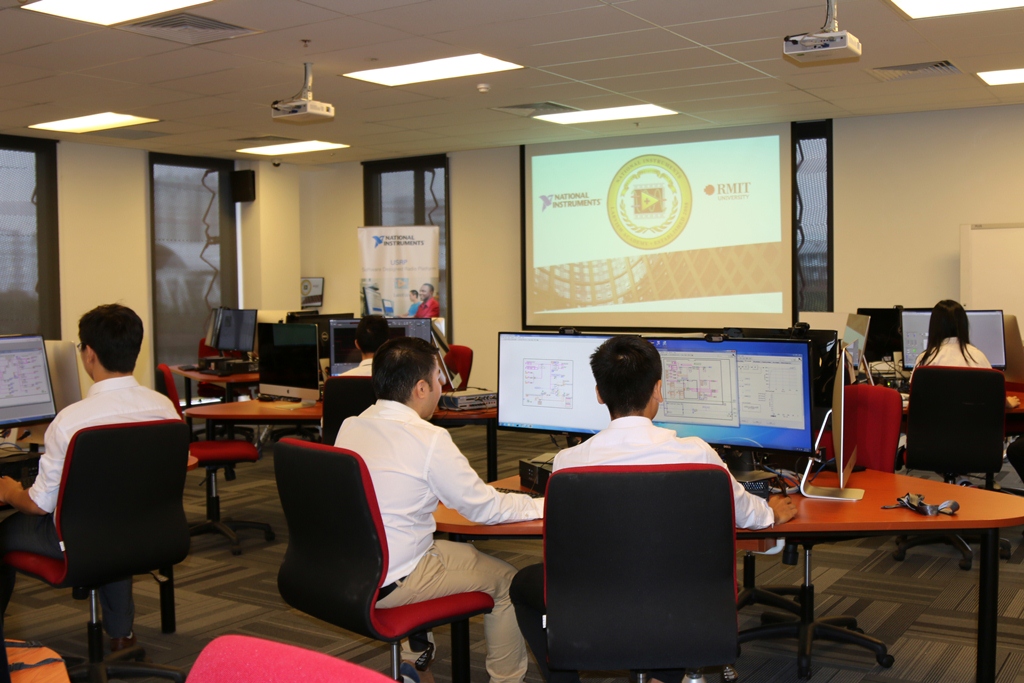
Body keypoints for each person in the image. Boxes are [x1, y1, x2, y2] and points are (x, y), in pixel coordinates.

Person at [509, 336, 798, 683]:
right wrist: (773, 512)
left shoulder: (569, 463)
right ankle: (665, 669)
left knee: (522, 583)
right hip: (684, 603)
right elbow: (747, 515)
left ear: (599, 393)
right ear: (658, 389)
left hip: (597, 603)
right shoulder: (698, 455)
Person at [334, 337, 543, 683]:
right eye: (438, 377)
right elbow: (483, 508)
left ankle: (415, 663)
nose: (443, 384)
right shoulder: (427, 438)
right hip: (394, 578)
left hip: (351, 568)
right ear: (420, 387)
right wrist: (540, 503)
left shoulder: (352, 424)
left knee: (459, 552)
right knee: (507, 582)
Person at [0, 304, 180, 652]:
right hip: (148, 533)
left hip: (79, 541)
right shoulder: (164, 408)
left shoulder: (71, 421)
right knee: (111, 516)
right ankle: (121, 635)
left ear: (89, 355)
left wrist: (9, 492)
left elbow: (38, 505)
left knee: (5, 531)